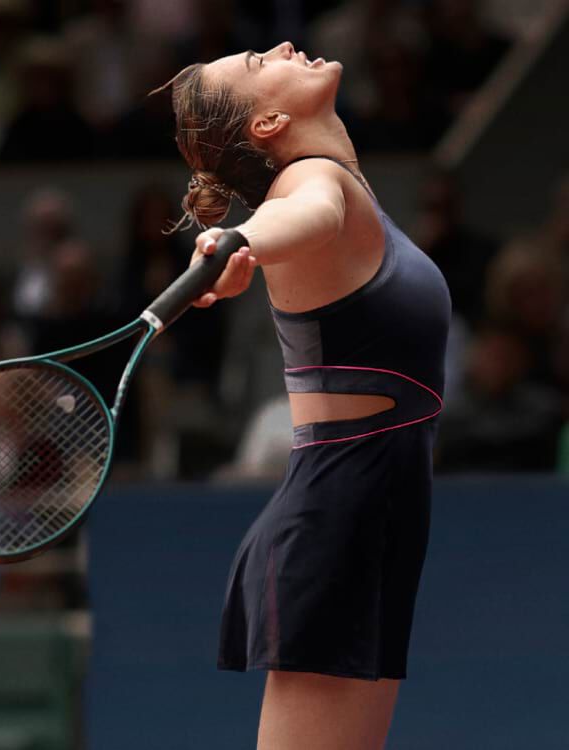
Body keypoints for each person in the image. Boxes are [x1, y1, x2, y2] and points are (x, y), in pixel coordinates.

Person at [153, 41, 451, 749]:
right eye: (262, 61)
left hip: (372, 516)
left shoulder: (342, 183)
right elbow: (307, 213)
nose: (284, 45)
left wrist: (243, 238)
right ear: (269, 124)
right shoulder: (312, 181)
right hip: (338, 517)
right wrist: (241, 240)